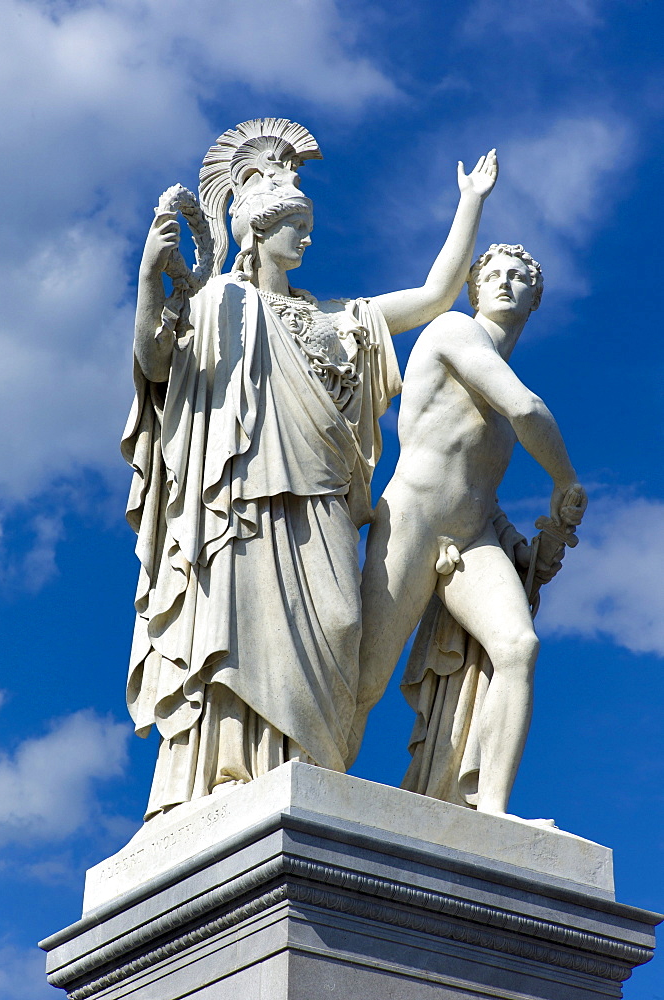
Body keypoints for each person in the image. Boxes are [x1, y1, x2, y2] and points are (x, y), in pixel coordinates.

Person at [121, 119, 498, 820]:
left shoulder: (342, 319)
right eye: (294, 224)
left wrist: (470, 201)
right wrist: (150, 275)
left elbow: (435, 296)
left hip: (323, 501)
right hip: (240, 502)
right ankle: (232, 773)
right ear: (257, 232)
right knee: (237, 630)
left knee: (337, 623)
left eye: (306, 223)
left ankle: (309, 771)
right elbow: (154, 363)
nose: (306, 237)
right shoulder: (219, 305)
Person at [351, 244, 586, 819]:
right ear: (475, 289)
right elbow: (526, 408)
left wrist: (523, 544)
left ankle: (492, 810)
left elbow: (480, 492)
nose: (505, 283)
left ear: (535, 297)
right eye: (494, 275)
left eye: (520, 277)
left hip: (472, 533)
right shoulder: (454, 330)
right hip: (411, 518)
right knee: (365, 679)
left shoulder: (501, 417)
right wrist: (566, 482)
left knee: (518, 648)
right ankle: (316, 781)